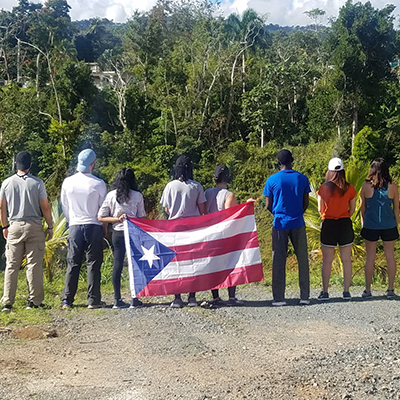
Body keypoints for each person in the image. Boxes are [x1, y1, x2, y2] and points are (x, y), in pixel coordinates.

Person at [0, 151, 53, 312]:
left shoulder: (7, 183)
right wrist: (50, 226)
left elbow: (2, 207)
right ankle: (34, 301)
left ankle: (7, 302)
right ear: (30, 165)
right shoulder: (37, 183)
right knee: (34, 264)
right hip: (34, 225)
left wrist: (4, 226)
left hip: (14, 224)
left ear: (16, 164)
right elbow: (45, 207)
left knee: (12, 264)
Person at [263, 149, 310, 306]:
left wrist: (278, 214)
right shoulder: (302, 179)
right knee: (302, 258)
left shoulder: (272, 180)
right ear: (292, 160)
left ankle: (279, 298)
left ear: (278, 162)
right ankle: (304, 296)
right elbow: (306, 203)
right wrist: (297, 213)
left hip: (279, 224)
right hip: (298, 222)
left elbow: (268, 205)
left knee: (278, 260)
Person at [60, 149, 107, 309]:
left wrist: (71, 220)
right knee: (93, 263)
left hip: (74, 225)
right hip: (94, 225)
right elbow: (103, 209)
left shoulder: (68, 182)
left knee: (73, 262)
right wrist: (104, 227)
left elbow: (65, 206)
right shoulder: (99, 184)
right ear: (93, 164)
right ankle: (93, 300)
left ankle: (67, 299)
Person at [160, 155, 207, 308]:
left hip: (174, 228)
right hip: (192, 228)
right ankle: (192, 297)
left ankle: (177, 298)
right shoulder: (196, 186)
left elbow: (166, 209)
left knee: (176, 262)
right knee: (193, 261)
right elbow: (202, 210)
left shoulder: (170, 186)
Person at [98, 168, 146, 309]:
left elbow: (101, 217)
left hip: (118, 233)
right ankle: (134, 298)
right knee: (135, 265)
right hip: (133, 234)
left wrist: (116, 219)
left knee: (117, 264)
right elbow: (142, 217)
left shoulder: (111, 195)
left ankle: (117, 299)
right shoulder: (137, 196)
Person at [317, 158, 356, 301]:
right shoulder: (350, 188)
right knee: (346, 259)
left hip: (329, 224)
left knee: (327, 260)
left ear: (330, 171)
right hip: (345, 223)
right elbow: (352, 209)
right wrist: (344, 215)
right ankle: (346, 291)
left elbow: (320, 209)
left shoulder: (323, 188)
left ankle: (325, 291)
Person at [360, 158, 399, 299]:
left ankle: (368, 289)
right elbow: (396, 209)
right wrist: (396, 224)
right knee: (390, 256)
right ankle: (390, 289)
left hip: (371, 225)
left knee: (370, 257)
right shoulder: (393, 186)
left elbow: (362, 208)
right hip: (389, 224)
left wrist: (363, 223)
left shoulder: (366, 186)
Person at [205, 164, 243, 306]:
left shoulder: (207, 192)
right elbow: (230, 216)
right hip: (224, 234)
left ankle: (215, 296)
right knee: (229, 263)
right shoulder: (229, 195)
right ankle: (231, 297)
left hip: (209, 233)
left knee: (213, 265)